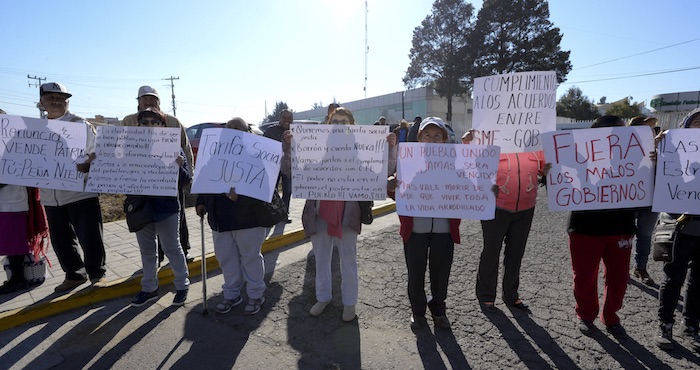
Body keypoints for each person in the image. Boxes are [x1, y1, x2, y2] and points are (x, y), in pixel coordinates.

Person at [283, 106, 397, 322]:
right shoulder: (314, 145)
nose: (339, 126)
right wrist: (289, 147)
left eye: (344, 122)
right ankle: (323, 297)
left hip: (348, 214)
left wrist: (390, 148)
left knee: (348, 260)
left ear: (351, 126)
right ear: (328, 124)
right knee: (321, 259)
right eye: (335, 122)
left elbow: (381, 172)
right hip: (319, 213)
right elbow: (291, 171)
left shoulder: (364, 147)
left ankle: (349, 303)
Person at [196, 117, 285, 315]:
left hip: (248, 220)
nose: (233, 130)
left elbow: (263, 189)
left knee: (250, 258)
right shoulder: (214, 154)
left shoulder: (256, 156)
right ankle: (232, 295)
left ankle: (255, 294)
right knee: (227, 259)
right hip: (220, 221)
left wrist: (240, 198)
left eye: (238, 128)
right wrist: (201, 201)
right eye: (229, 127)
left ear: (247, 133)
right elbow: (206, 180)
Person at [462, 130, 550, 312]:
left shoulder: (536, 143)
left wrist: (547, 169)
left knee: (516, 253)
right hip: (496, 206)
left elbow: (543, 167)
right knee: (491, 252)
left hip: (526, 207)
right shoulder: (492, 138)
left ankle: (511, 295)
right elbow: (472, 163)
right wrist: (468, 144)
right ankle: (486, 295)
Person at [567, 115, 638, 339]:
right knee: (584, 277)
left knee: (619, 278)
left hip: (621, 227)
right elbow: (560, 187)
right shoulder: (577, 156)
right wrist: (552, 172)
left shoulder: (636, 156)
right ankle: (586, 315)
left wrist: (657, 162)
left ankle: (611, 316)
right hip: (584, 228)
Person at [388, 117, 461, 330]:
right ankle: (418, 312)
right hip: (415, 231)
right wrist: (392, 185)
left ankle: (438, 309)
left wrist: (486, 191)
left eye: (437, 135)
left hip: (444, 231)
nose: (431, 139)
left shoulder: (456, 163)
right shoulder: (408, 161)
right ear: (419, 139)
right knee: (415, 273)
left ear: (445, 140)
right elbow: (395, 192)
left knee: (441, 273)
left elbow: (470, 188)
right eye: (426, 135)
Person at [38, 82, 107, 292]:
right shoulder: (33, 129)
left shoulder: (80, 125)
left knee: (90, 236)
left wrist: (89, 165)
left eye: (62, 98)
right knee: (61, 239)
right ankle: (74, 274)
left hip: (80, 192)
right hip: (51, 196)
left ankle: (97, 274)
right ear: (41, 103)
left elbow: (97, 154)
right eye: (51, 98)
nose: (57, 101)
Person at [121, 86, 194, 261]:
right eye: (144, 99)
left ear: (159, 102)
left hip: (170, 180)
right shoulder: (128, 121)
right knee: (147, 219)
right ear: (138, 102)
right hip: (141, 182)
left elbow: (186, 148)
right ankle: (158, 256)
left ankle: (183, 251)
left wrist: (188, 174)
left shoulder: (173, 121)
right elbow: (118, 148)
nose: (148, 101)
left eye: (153, 99)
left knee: (177, 218)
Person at [127, 108, 191, 307]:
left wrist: (180, 166)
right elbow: (118, 174)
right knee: (147, 251)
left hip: (166, 207)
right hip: (141, 207)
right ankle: (149, 288)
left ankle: (182, 285)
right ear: (138, 126)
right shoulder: (129, 148)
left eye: (154, 122)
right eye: (144, 122)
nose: (149, 126)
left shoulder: (173, 147)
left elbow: (185, 180)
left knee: (172, 247)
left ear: (163, 126)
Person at [655, 109, 700, 350]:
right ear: (685, 126)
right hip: (679, 227)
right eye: (696, 123)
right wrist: (658, 151)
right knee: (673, 277)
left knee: (698, 282)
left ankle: (691, 325)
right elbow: (656, 179)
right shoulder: (670, 150)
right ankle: (665, 323)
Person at [628, 116, 660, 286]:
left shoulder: (662, 150)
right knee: (624, 235)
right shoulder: (622, 149)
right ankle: (621, 267)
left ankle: (640, 267)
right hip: (627, 200)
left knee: (645, 236)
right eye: (646, 129)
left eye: (654, 129)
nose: (652, 133)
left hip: (651, 201)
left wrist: (661, 158)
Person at [0, 187, 49, 294]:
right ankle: (16, 277)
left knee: (14, 242)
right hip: (9, 201)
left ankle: (18, 278)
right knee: (10, 241)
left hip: (14, 202)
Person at [263, 109, 294, 223]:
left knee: (288, 190)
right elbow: (262, 146)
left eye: (289, 118)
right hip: (273, 167)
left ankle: (284, 214)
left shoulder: (296, 131)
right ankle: (270, 214)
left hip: (288, 167)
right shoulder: (271, 130)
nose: (287, 120)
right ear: (280, 118)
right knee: (271, 191)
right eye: (284, 118)